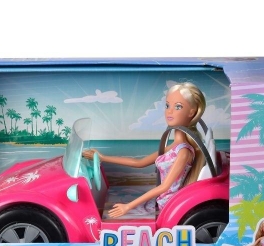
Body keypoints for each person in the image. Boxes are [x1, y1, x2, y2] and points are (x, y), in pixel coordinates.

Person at [83, 82, 206, 218]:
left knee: (115, 211)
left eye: (178, 107)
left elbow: (164, 187)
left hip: (168, 204)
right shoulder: (174, 147)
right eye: (167, 106)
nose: (169, 111)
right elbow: (139, 163)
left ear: (191, 112)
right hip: (160, 199)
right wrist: (103, 157)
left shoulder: (184, 152)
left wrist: (128, 206)